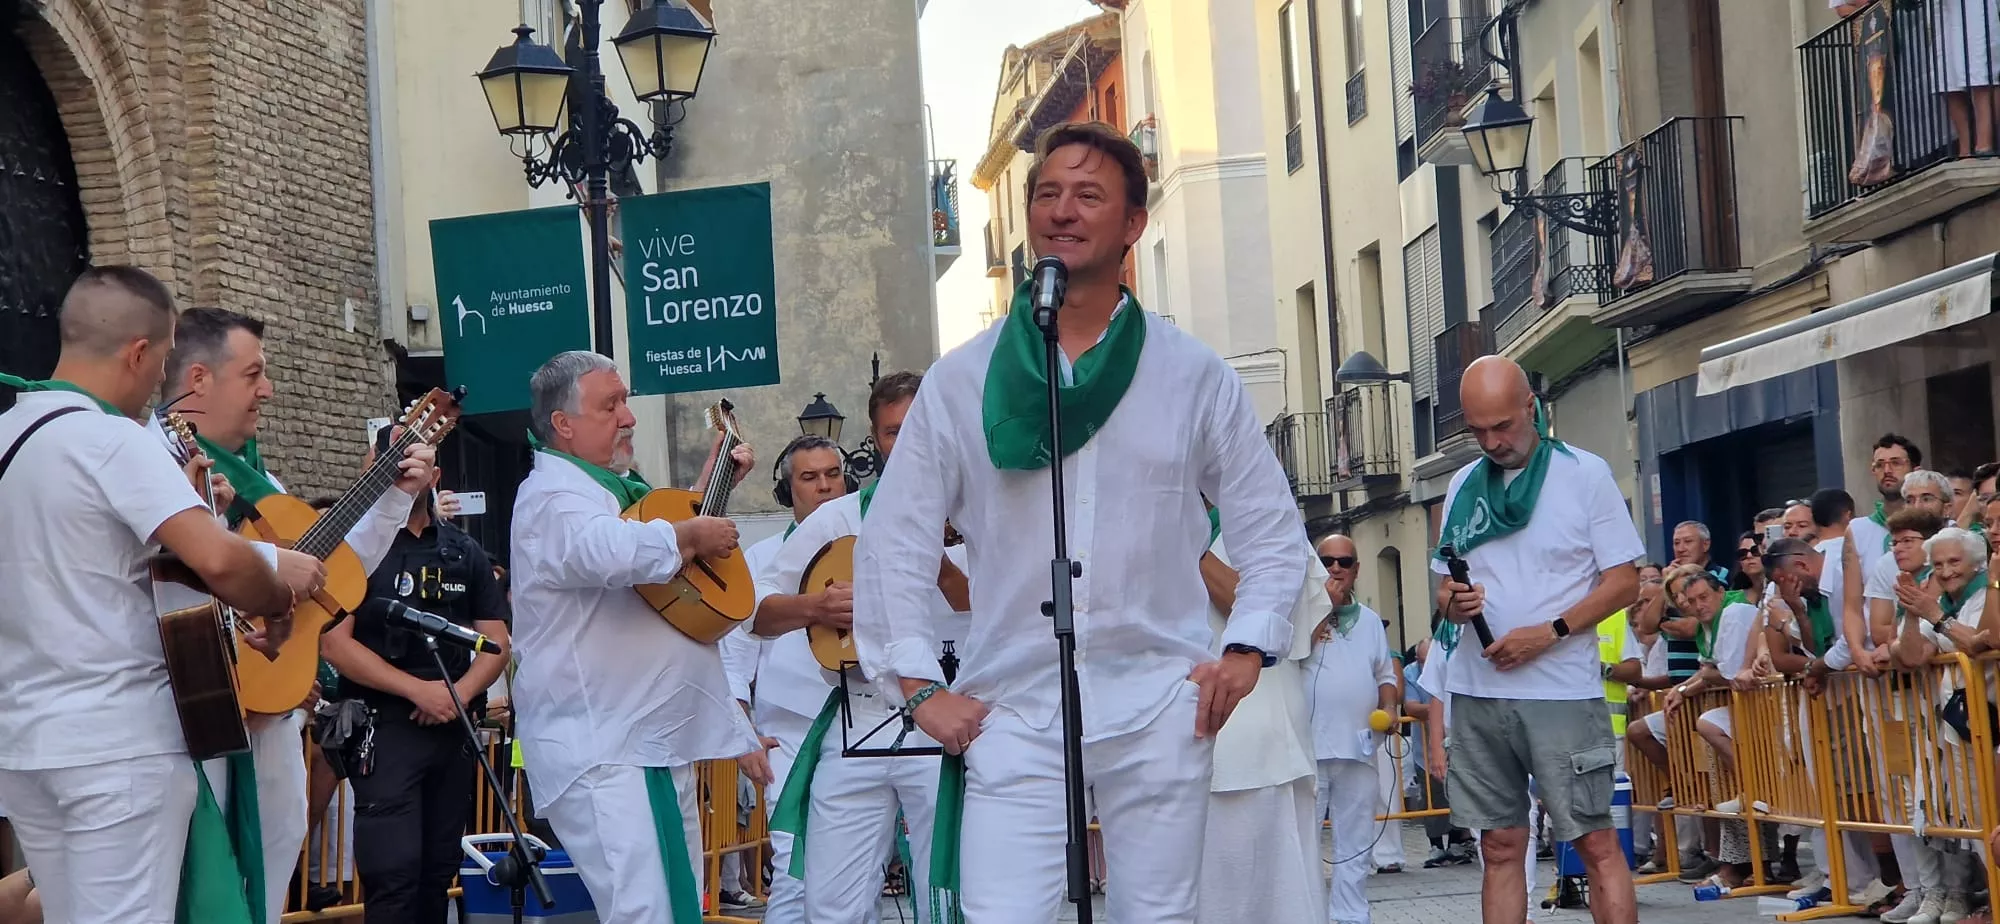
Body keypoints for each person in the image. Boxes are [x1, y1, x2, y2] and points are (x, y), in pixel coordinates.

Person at [851, 121, 1307, 923]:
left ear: (1134, 223)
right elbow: (895, 541)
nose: (1061, 210)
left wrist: (1246, 650)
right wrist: (917, 686)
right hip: (1015, 707)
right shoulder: (962, 380)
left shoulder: (1191, 374)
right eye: (1047, 193)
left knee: (1158, 917)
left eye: (1089, 195)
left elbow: (1271, 531)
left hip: (1160, 700)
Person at [0, 267, 320, 924]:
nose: (159, 383)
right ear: (139, 352)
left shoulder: (7, 437)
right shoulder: (111, 438)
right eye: (164, 358)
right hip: (117, 745)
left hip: (26, 743)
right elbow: (216, 558)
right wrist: (274, 589)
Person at [153, 305, 436, 924]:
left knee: (269, 871)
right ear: (199, 379)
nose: (269, 390)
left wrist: (393, 496)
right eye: (253, 374)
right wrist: (261, 568)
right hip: (184, 723)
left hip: (268, 718)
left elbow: (332, 576)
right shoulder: (151, 462)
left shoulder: (264, 484)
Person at [509, 350, 760, 923]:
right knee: (643, 910)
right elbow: (606, 551)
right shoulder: (551, 496)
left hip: (644, 739)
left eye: (625, 401)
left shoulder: (610, 493)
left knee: (674, 907)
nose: (629, 417)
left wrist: (705, 496)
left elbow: (649, 555)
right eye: (610, 405)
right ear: (563, 423)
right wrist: (689, 534)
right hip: (603, 746)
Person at [1433, 354, 1643, 924]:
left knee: (1595, 842)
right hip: (1478, 689)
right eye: (1477, 431)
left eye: (1502, 426)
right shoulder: (1462, 485)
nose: (1492, 442)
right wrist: (1453, 603)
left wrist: (1548, 633)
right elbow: (1443, 589)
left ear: (1531, 407)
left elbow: (1625, 582)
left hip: (1560, 691)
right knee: (1499, 845)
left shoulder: (1584, 474)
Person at [756, 372, 970, 923]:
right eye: (894, 431)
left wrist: (938, 566)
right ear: (875, 440)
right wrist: (816, 608)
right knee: (831, 903)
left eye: (918, 424)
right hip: (856, 721)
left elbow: (1013, 608)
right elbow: (755, 612)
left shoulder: (983, 508)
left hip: (952, 721)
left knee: (951, 893)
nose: (908, 440)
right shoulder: (836, 520)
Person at [320, 431, 511, 924]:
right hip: (385, 729)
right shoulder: (354, 552)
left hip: (451, 730)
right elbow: (335, 643)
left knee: (438, 870)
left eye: (408, 462)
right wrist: (417, 691)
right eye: (382, 464)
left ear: (435, 475)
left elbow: (496, 643)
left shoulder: (464, 551)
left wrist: (456, 695)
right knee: (393, 871)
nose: (397, 473)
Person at [718, 433, 851, 921]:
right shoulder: (760, 558)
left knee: (855, 877)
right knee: (795, 872)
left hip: (868, 725)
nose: (824, 487)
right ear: (786, 490)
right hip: (789, 735)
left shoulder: (872, 546)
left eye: (833, 475)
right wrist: (743, 734)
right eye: (809, 477)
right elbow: (733, 657)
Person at [1193, 516, 1326, 924]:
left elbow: (1287, 618)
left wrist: (1190, 544)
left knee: (1271, 896)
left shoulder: (1266, 520)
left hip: (1259, 744)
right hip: (1183, 735)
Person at [1304, 534, 1398, 924]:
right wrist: (1322, 608)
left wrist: (1389, 706)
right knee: (1304, 840)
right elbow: (1292, 653)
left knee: (1356, 839)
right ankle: (1307, 914)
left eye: (1344, 562)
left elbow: (1385, 674)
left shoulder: (1372, 621)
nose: (1335, 568)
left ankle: (1351, 915)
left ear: (1356, 569)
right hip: (1308, 747)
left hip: (1359, 746)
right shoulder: (1302, 613)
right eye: (1327, 561)